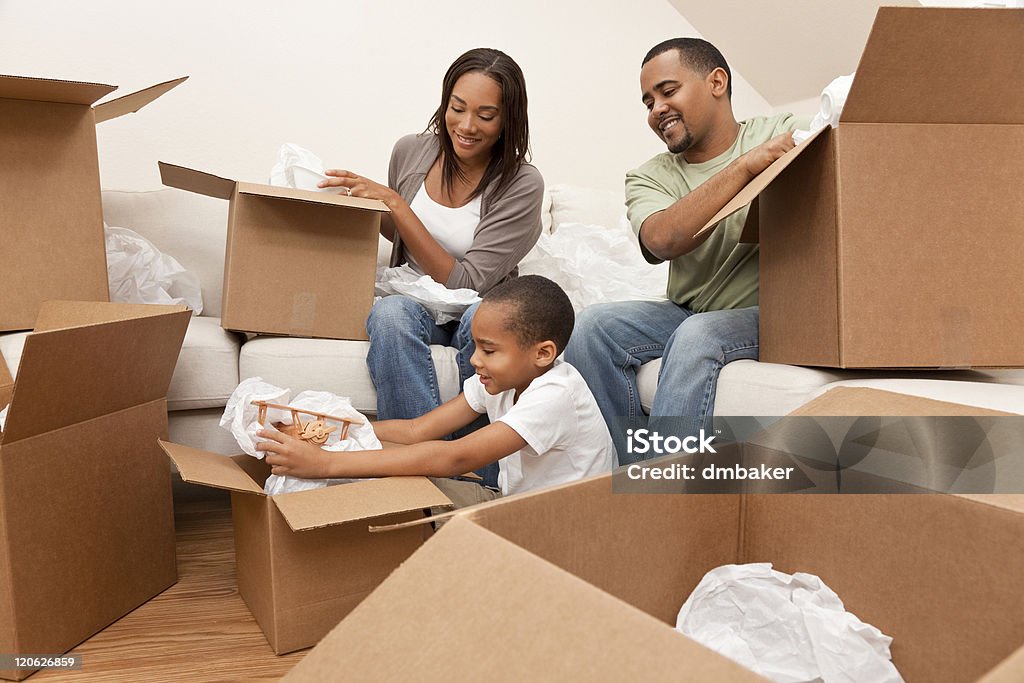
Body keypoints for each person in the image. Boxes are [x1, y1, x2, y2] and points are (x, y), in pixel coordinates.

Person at [564, 38, 810, 465]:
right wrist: (744, 167)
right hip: (689, 308)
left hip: (771, 312)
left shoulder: (779, 133)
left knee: (698, 336)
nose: (656, 109)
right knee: (591, 327)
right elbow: (662, 241)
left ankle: (667, 501)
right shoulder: (648, 176)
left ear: (716, 82)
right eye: (647, 101)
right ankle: (633, 473)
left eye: (667, 90)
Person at [318, 48, 544, 434]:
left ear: (508, 120)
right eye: (457, 108)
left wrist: (394, 205)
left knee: (486, 321)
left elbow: (467, 283)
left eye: (486, 115)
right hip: (414, 300)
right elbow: (403, 238)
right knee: (389, 314)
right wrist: (363, 211)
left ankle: (480, 474)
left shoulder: (523, 184)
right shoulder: (411, 150)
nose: (467, 125)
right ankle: (416, 465)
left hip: (478, 306)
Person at [256, 275, 615, 508]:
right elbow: (417, 430)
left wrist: (327, 464)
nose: (474, 360)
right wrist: (333, 428)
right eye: (474, 346)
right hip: (514, 504)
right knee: (384, 484)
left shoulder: (556, 394)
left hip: (562, 529)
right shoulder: (502, 381)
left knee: (393, 495)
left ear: (543, 353)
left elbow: (456, 457)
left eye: (488, 350)